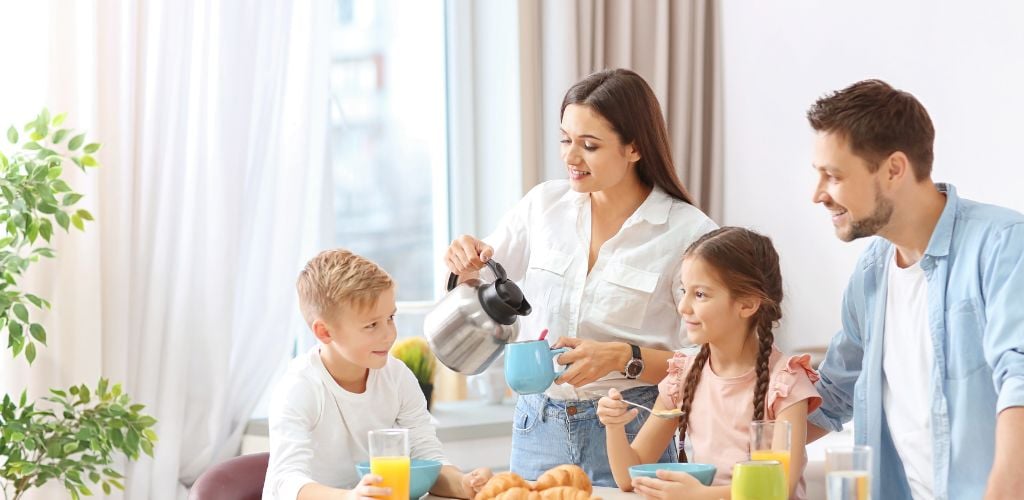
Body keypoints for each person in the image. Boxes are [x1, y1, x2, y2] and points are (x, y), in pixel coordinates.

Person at [446, 68, 718, 486]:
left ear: (634, 148)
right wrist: (464, 266)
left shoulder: (687, 233)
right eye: (565, 139)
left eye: (589, 145)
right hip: (537, 424)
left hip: (630, 427)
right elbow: (477, 287)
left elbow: (711, 361)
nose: (570, 157)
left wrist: (623, 357)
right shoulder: (543, 206)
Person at [805, 79, 1024, 500]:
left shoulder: (1001, 244)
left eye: (833, 176)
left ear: (894, 169)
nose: (818, 195)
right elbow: (832, 397)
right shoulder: (870, 275)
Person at [597, 227, 821, 499]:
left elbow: (779, 488)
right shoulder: (684, 376)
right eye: (684, 291)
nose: (683, 307)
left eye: (700, 294)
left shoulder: (785, 382)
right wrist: (614, 425)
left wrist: (699, 495)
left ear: (747, 304)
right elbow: (628, 477)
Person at [262, 249, 490, 500]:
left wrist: (464, 484)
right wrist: (349, 497)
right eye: (371, 325)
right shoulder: (300, 387)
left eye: (390, 317)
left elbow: (427, 458)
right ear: (325, 332)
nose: (389, 335)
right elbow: (284, 483)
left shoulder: (397, 376)